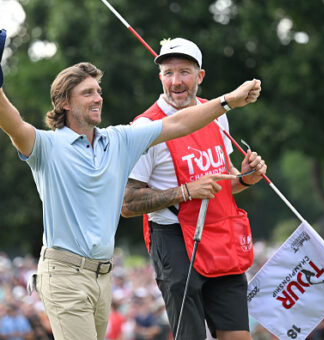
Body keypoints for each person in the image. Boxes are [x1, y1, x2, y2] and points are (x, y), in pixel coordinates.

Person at [0, 28, 260, 339]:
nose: (98, 98)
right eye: (88, 93)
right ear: (65, 103)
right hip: (63, 272)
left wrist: (228, 102)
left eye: (98, 91)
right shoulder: (45, 146)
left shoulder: (118, 139)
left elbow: (179, 122)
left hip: (102, 274)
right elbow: (12, 122)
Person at [122, 38, 267, 340]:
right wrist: (185, 192)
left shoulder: (216, 113)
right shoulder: (144, 127)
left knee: (239, 335)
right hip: (174, 241)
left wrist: (245, 178)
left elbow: (223, 181)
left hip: (221, 233)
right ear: (159, 76)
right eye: (168, 73)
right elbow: (127, 203)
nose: (176, 82)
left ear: (200, 76)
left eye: (184, 72)